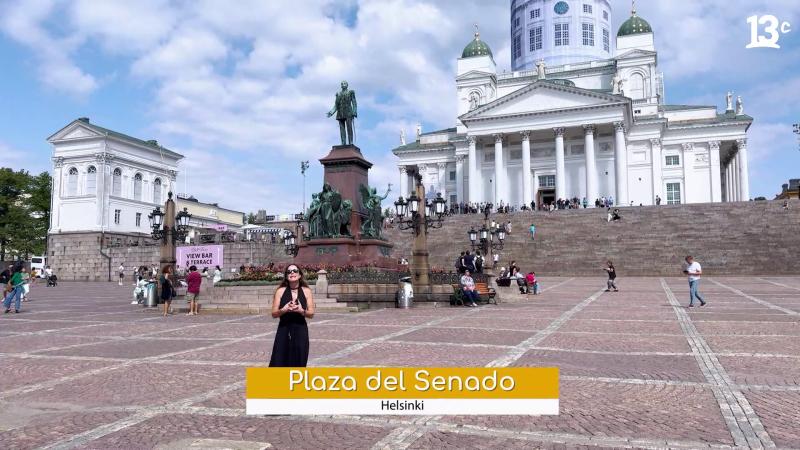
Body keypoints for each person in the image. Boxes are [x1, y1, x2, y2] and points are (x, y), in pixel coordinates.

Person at [269, 264, 315, 367]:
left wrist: (301, 310)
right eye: (289, 272)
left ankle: (296, 382)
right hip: (284, 329)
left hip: (300, 329)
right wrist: (284, 309)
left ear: (299, 275)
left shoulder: (307, 291)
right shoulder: (280, 291)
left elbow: (311, 314)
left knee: (299, 360)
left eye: (295, 271)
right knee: (279, 360)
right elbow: (274, 314)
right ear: (286, 276)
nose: (292, 273)